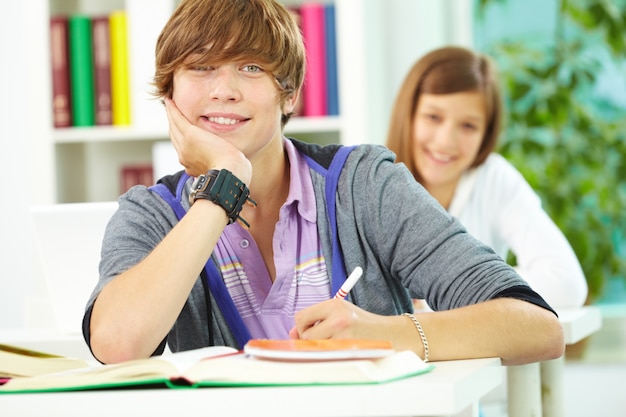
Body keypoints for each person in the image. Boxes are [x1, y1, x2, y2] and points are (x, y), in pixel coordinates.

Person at [83, 0, 564, 366]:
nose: (224, 89)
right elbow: (118, 346)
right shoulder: (150, 213)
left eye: (251, 68)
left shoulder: (364, 184)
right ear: (168, 94)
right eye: (200, 67)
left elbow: (537, 327)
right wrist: (221, 190)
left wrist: (387, 333)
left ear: (287, 93)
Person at [385, 46, 588, 310]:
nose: (446, 141)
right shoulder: (371, 182)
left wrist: (455, 287)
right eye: (433, 117)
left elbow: (566, 284)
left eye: (468, 126)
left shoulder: (494, 179)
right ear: (407, 115)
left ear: (486, 134)